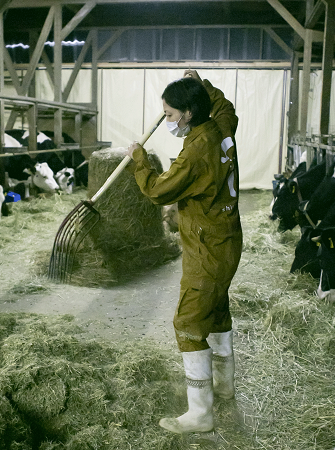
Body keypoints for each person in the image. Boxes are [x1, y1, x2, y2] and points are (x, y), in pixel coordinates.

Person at [126, 69, 243, 434]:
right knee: (216, 311)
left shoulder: (195, 151)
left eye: (171, 115)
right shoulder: (220, 126)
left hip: (207, 246)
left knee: (188, 324)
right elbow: (228, 107)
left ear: (189, 113)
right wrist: (202, 82)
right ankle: (224, 386)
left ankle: (201, 413)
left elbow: (160, 191)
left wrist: (139, 161)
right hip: (227, 240)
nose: (168, 121)